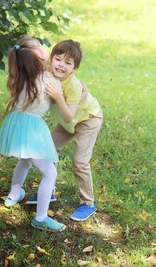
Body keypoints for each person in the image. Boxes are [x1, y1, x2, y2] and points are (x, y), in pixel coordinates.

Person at [0, 35, 70, 232]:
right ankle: (41, 218)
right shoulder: (50, 80)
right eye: (40, 46)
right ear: (38, 56)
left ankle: (14, 194)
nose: (45, 48)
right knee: (49, 172)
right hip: (31, 128)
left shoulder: (20, 76)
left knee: (25, 160)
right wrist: (60, 95)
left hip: (17, 123)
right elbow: (61, 109)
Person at [44, 39, 103, 222]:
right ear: (51, 59)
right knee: (48, 151)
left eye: (68, 63)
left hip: (87, 119)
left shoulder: (74, 85)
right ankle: (49, 191)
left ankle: (88, 203)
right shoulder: (47, 71)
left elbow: (69, 115)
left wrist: (58, 97)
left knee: (79, 162)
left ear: (74, 69)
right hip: (69, 121)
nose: (61, 65)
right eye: (58, 59)